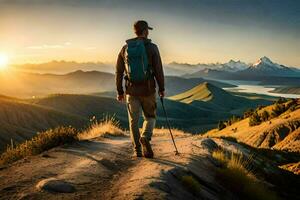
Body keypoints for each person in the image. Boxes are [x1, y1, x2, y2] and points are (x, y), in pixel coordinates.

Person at [115, 20, 165, 158]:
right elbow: (158, 70)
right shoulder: (153, 47)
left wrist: (119, 91)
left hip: (131, 90)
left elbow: (119, 72)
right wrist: (162, 88)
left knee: (133, 121)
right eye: (147, 30)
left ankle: (137, 150)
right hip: (148, 90)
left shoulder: (125, 49)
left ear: (135, 31)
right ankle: (145, 137)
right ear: (145, 31)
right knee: (150, 117)